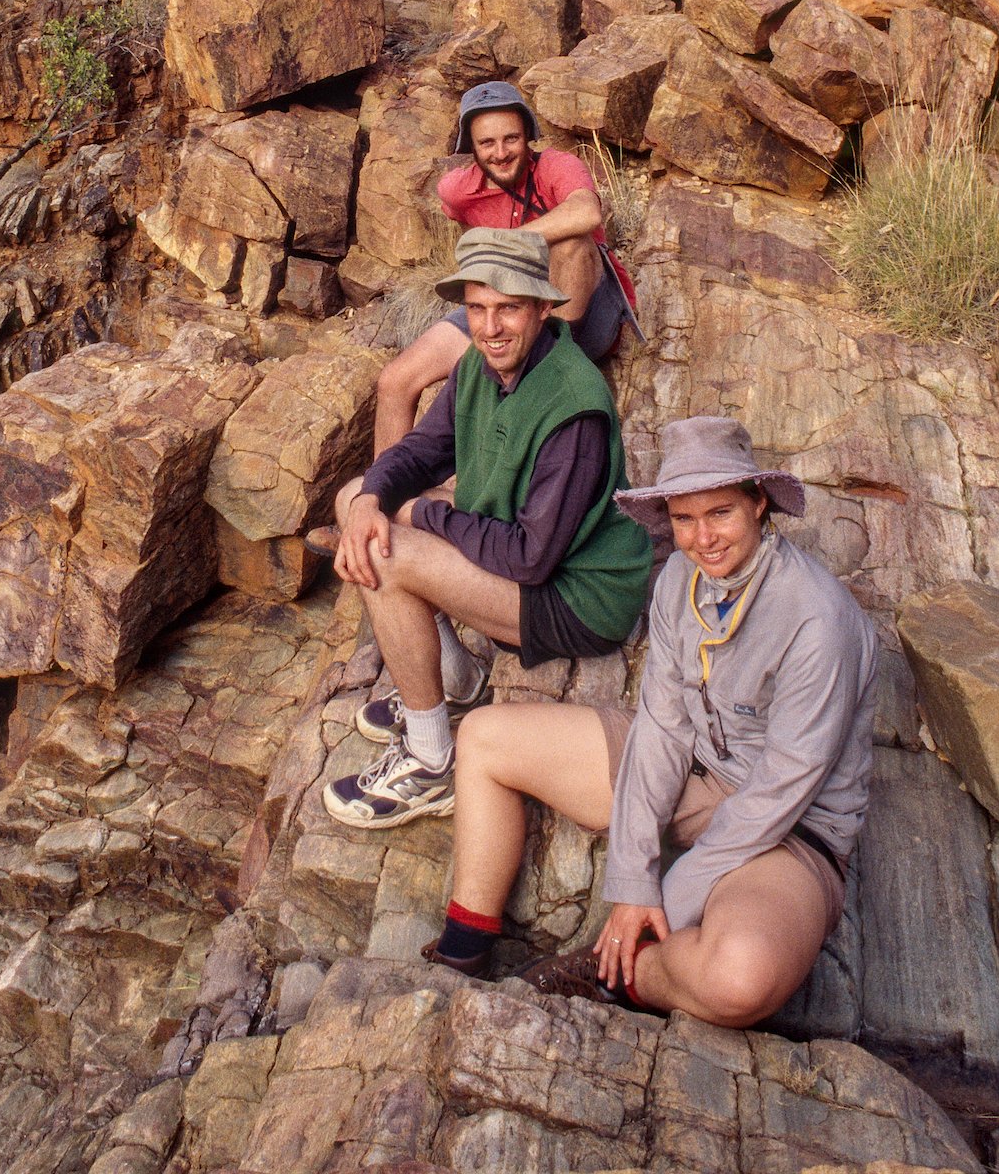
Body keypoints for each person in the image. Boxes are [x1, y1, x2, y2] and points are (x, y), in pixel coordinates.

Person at [421, 416, 879, 1030]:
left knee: (740, 981)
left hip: (791, 830)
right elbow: (662, 730)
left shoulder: (818, 619)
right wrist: (631, 879)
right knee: (483, 737)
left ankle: (620, 972)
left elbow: (783, 787)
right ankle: (464, 949)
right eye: (684, 520)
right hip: (699, 776)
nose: (702, 538)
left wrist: (659, 903)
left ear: (758, 502)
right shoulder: (678, 585)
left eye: (720, 513)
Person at [321, 228, 653, 832]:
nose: (491, 326)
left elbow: (530, 559)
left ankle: (429, 762)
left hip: (579, 597)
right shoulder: (481, 365)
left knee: (387, 554)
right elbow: (422, 451)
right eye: (477, 308)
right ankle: (453, 677)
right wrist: (373, 497)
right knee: (356, 500)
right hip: (523, 549)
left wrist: (422, 515)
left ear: (544, 308)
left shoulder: (574, 405)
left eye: (509, 308)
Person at [372, 81, 638, 455]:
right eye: (487, 143)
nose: (500, 153)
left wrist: (505, 243)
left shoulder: (558, 167)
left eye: (511, 139)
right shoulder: (457, 190)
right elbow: (467, 237)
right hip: (510, 310)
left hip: (580, 315)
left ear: (528, 136)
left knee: (572, 241)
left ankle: (550, 364)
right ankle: (383, 496)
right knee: (396, 380)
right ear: (472, 148)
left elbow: (587, 212)